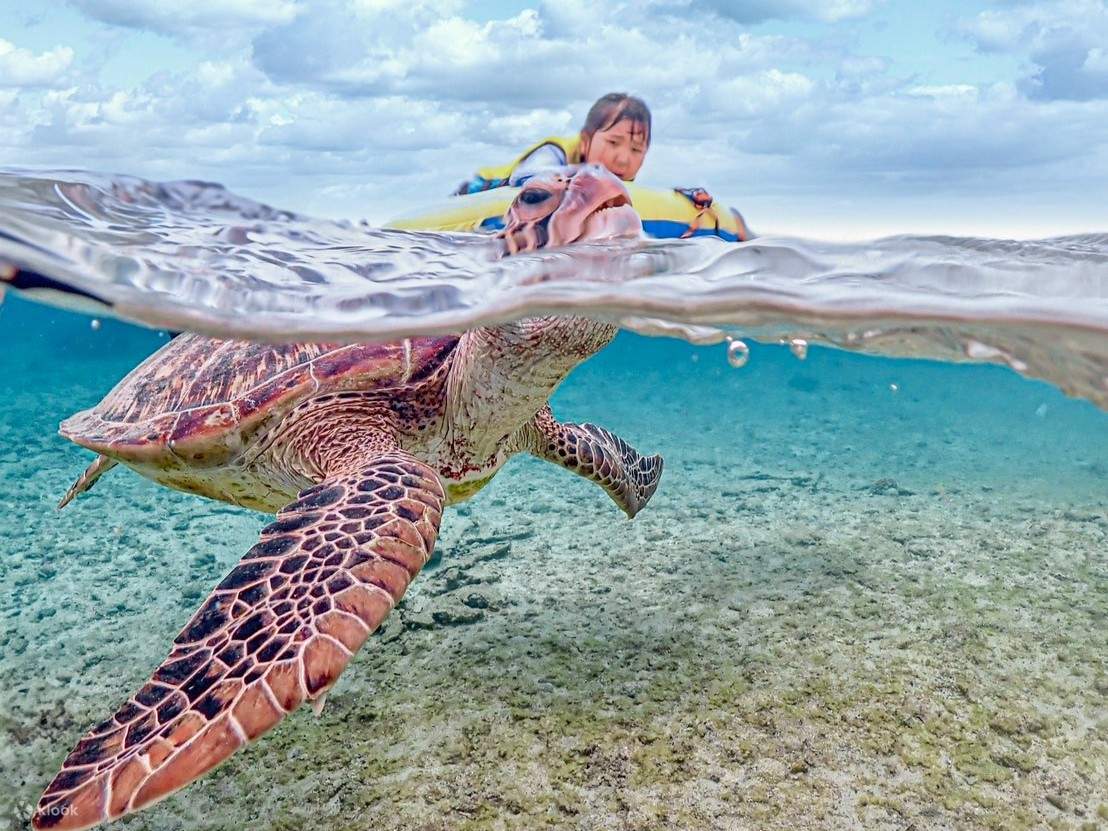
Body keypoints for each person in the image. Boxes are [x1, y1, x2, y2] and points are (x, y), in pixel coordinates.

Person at [454, 93, 651, 195]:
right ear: (585, 141)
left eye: (636, 149)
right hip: (480, 190)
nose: (624, 159)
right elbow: (523, 176)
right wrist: (587, 173)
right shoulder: (556, 152)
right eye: (613, 142)